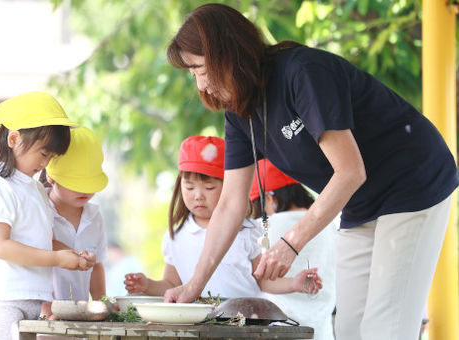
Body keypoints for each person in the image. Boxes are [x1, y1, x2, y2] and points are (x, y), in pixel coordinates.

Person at [164, 4, 458, 340]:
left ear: (227, 53)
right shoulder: (239, 113)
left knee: (385, 329)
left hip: (412, 180)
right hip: (359, 203)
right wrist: (194, 286)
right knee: (348, 330)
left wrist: (291, 242)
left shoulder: (302, 72)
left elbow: (349, 171)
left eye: (200, 69)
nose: (201, 84)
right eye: (192, 74)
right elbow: (230, 204)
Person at [124, 136, 321, 299]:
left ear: (230, 188)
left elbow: (262, 280)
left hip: (245, 324)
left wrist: (294, 283)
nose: (198, 195)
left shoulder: (246, 231)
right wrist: (147, 285)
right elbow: (172, 284)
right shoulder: (174, 236)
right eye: (189, 187)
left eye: (209, 188)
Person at [0, 92, 90, 340]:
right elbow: (0, 246)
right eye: (43, 154)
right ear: (14, 139)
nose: (45, 164)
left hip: (33, 301)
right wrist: (57, 258)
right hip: (2, 301)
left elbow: (41, 241)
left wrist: (73, 254)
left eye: (51, 158)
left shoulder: (36, 189)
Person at [250, 159, 336, 340]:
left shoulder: (263, 226)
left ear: (270, 199)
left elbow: (260, 280)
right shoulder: (330, 225)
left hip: (278, 329)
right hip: (322, 330)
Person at [38, 126, 109, 321]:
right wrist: (46, 312)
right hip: (45, 319)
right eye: (76, 183)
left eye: (89, 182)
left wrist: (100, 305)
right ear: (51, 176)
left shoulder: (95, 217)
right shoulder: (40, 210)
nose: (84, 190)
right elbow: (35, 263)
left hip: (81, 318)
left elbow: (97, 266)